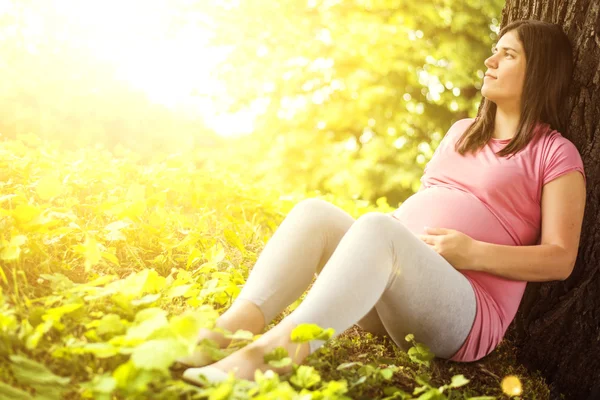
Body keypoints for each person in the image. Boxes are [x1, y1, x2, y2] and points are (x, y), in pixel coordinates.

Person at [180, 19, 587, 385]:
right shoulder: (462, 132)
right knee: (315, 214)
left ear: (540, 72)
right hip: (393, 292)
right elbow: (427, 203)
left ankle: (271, 357)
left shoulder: (555, 153)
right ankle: (229, 331)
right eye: (494, 49)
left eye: (507, 53)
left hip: (465, 312)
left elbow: (559, 258)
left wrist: (474, 253)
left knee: (377, 228)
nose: (489, 60)